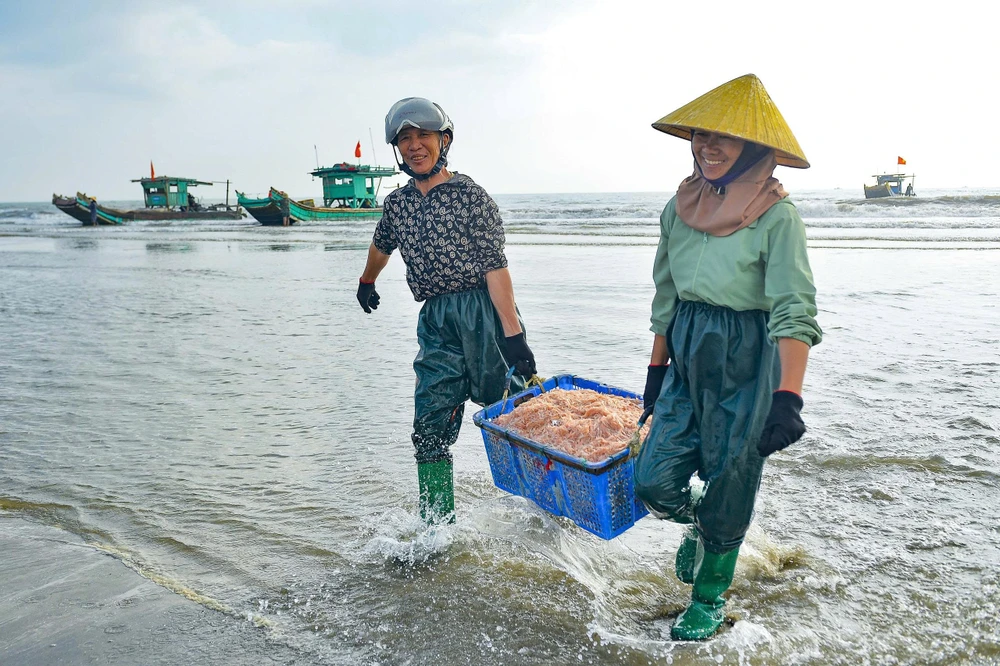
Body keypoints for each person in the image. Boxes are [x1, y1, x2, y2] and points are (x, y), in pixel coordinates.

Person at [634, 74, 822, 641]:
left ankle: (711, 596)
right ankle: (701, 522)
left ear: (753, 150)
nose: (707, 148)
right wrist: (654, 371)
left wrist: (788, 397)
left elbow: (795, 307)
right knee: (653, 481)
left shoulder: (776, 216)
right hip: (688, 346)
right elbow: (666, 295)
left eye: (724, 139)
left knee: (733, 474)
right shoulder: (680, 205)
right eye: (700, 136)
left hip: (748, 353)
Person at [356, 97, 537, 524]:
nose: (415, 145)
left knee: (514, 414)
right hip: (436, 321)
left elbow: (496, 268)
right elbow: (382, 245)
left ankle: (540, 515)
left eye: (423, 136)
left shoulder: (472, 197)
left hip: (484, 315)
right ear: (398, 148)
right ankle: (437, 528)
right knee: (430, 424)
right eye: (405, 139)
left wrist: (514, 339)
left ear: (444, 140)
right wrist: (366, 281)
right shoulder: (397, 205)